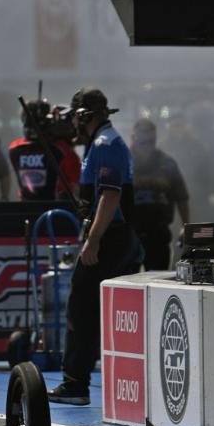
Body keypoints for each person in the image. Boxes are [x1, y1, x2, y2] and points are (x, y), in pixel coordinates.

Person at [49, 88, 141, 405]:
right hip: (115, 236)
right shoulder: (101, 142)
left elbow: (110, 195)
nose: (72, 123)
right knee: (95, 309)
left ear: (85, 116)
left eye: (76, 116)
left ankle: (76, 384)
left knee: (81, 307)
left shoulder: (105, 144)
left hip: (111, 238)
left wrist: (93, 240)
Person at [130, 118, 190, 270]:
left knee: (156, 280)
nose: (148, 146)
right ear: (133, 139)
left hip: (157, 232)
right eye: (143, 142)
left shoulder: (167, 163)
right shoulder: (123, 161)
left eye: (152, 141)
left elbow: (181, 197)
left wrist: (186, 226)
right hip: (129, 234)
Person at [8, 99, 81, 201]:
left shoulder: (14, 148)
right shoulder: (62, 150)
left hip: (25, 208)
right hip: (56, 210)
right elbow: (78, 181)